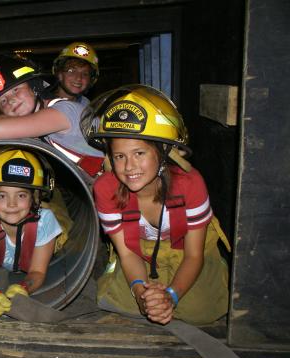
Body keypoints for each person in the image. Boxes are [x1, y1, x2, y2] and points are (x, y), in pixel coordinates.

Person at [82, 84, 230, 325]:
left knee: (200, 311)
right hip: (139, 250)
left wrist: (171, 296)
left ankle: (213, 271)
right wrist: (141, 294)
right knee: (119, 301)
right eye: (120, 156)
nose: (129, 167)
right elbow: (128, 253)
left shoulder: (190, 184)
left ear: (163, 152)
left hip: (187, 247)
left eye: (139, 153)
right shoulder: (106, 188)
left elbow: (193, 255)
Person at [0, 54, 105, 178]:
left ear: (34, 87)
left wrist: (3, 120)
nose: (11, 100)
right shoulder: (34, 123)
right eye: (3, 101)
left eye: (16, 90)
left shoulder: (63, 111)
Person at [0, 149, 62, 320]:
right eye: (1, 195)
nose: (11, 204)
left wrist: (24, 288)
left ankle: (59, 199)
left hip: (51, 221)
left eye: (21, 195)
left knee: (61, 215)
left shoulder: (44, 222)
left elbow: (37, 272)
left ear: (35, 198)